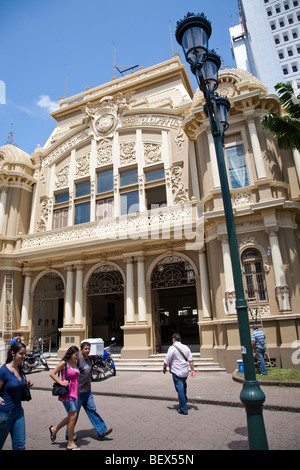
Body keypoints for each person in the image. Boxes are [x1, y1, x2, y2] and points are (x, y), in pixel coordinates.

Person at [66, 342, 112, 441]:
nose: (87, 351)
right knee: (74, 414)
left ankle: (101, 430)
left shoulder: (89, 360)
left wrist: (90, 383)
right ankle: (68, 434)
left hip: (87, 391)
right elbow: (71, 370)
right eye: (85, 349)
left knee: (92, 409)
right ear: (81, 349)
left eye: (88, 349)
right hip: (78, 392)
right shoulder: (77, 359)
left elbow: (89, 373)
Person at [0, 342, 34, 450]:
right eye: (21, 354)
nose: (24, 356)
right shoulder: (4, 371)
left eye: (25, 354)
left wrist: (27, 384)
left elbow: (16, 384)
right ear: (13, 354)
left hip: (18, 412)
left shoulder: (20, 368)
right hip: (5, 414)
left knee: (20, 445)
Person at [49, 345, 80, 450]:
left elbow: (76, 378)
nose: (77, 357)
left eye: (77, 355)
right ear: (70, 354)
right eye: (75, 355)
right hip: (66, 393)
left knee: (71, 416)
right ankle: (70, 443)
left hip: (74, 393)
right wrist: (61, 382)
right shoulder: (64, 363)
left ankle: (55, 429)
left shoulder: (74, 363)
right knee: (73, 416)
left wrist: (78, 390)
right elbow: (52, 374)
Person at [163, 333, 196, 415]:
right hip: (185, 371)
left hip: (176, 371)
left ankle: (183, 409)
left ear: (173, 340)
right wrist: (192, 370)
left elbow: (167, 360)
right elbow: (190, 360)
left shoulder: (172, 348)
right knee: (183, 385)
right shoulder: (186, 347)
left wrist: (164, 368)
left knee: (180, 389)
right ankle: (184, 400)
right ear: (180, 339)